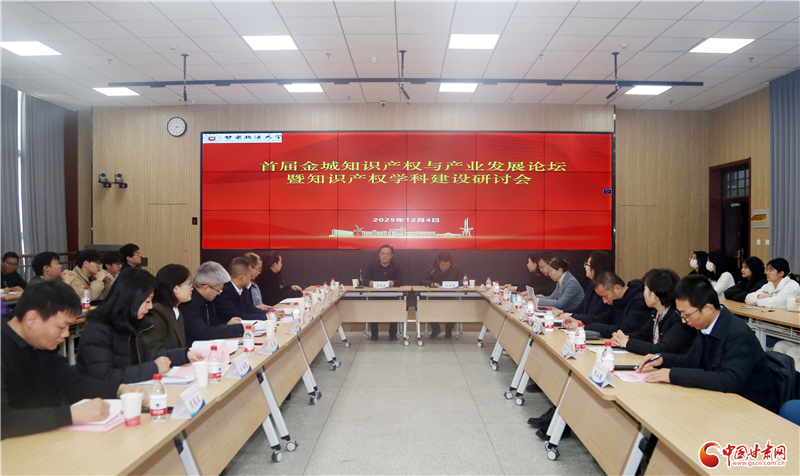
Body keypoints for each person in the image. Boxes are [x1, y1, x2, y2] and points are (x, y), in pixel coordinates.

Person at [1, 280, 147, 439]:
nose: (66, 334)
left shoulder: (41, 344)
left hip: (40, 436)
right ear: (32, 319)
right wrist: (71, 414)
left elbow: (74, 384)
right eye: (61, 327)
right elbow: (4, 420)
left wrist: (120, 390)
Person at [636, 275, 780, 413]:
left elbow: (731, 380)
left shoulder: (737, 333)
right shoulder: (705, 325)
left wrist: (673, 375)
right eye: (681, 315)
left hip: (750, 407)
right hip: (722, 399)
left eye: (686, 315)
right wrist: (662, 359)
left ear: (708, 309)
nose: (684, 321)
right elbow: (692, 361)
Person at [77, 268, 202, 384]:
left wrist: (184, 355)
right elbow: (104, 376)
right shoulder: (98, 330)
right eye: (147, 301)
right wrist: (153, 368)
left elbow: (145, 356)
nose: (150, 307)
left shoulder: (132, 323)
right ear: (131, 299)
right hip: (104, 396)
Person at [611, 268, 696, 355]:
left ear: (654, 295)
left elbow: (663, 349)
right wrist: (622, 337)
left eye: (645, 288)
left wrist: (627, 343)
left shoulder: (678, 317)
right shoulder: (657, 313)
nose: (643, 293)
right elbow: (643, 335)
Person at [563, 271, 651, 337]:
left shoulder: (639, 301)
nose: (604, 301)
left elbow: (625, 329)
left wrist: (586, 327)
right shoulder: (618, 300)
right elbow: (604, 318)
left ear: (617, 289)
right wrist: (580, 322)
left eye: (605, 296)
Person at [180, 261, 245, 346]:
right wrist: (238, 329)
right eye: (219, 290)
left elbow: (212, 327)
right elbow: (203, 333)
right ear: (206, 288)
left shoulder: (208, 300)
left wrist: (227, 325)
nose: (219, 293)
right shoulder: (187, 303)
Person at [140, 264, 196, 356]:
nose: (192, 288)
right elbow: (154, 351)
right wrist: (184, 355)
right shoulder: (156, 312)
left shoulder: (176, 311)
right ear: (175, 288)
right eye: (188, 284)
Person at [552, 251, 613, 320]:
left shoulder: (605, 289)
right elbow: (581, 308)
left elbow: (595, 316)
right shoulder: (591, 286)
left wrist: (571, 316)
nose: (585, 267)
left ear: (594, 269)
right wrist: (563, 312)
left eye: (587, 264)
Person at [364, 244, 404, 341]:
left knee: (394, 311)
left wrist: (393, 283)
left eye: (387, 254)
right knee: (373, 311)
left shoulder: (396, 266)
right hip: (375, 296)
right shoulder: (372, 266)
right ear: (379, 254)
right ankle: (374, 335)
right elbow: (364, 279)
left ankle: (393, 335)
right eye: (382, 253)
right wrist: (369, 283)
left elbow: (401, 280)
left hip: (392, 296)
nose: (385, 256)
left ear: (392, 256)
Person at [419, 251, 463, 338]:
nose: (445, 267)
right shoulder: (433, 269)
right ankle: (435, 329)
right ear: (438, 262)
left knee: (455, 307)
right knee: (428, 307)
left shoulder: (456, 268)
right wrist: (432, 284)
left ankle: (449, 330)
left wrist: (454, 284)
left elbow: (463, 281)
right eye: (443, 265)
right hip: (435, 296)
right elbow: (422, 280)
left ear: (450, 262)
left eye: (447, 265)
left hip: (451, 296)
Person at [216, 258, 270, 322]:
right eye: (250, 275)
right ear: (242, 277)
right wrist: (266, 317)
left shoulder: (243, 289)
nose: (251, 278)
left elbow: (249, 308)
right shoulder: (224, 292)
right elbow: (238, 315)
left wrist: (269, 313)